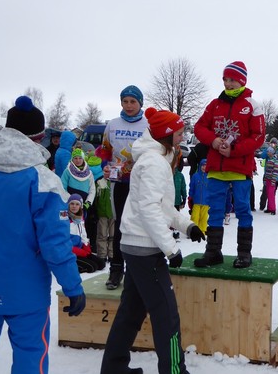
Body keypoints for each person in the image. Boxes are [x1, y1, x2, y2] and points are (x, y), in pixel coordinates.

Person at [0, 96, 85, 373]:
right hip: (24, 289)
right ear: (38, 138)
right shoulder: (44, 180)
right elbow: (55, 243)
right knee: (30, 353)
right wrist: (72, 286)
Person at [100, 107, 205, 374]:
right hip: (145, 248)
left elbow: (162, 206)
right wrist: (171, 249)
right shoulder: (153, 163)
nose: (184, 136)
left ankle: (114, 369)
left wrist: (187, 226)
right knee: (166, 316)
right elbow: (148, 209)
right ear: (168, 136)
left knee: (131, 312)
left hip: (139, 245)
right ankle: (174, 371)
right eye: (180, 133)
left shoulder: (158, 158)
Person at [192, 61, 265, 269]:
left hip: (240, 168)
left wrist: (234, 150)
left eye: (232, 79)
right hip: (216, 168)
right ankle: (213, 252)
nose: (228, 83)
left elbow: (258, 137)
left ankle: (244, 253)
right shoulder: (215, 104)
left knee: (242, 209)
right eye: (225, 79)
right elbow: (199, 127)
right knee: (214, 209)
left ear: (242, 80)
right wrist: (213, 141)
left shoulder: (252, 105)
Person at [96, 85, 148, 289]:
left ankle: (139, 272)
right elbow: (105, 153)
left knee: (141, 226)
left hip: (142, 184)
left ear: (140, 103)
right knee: (119, 226)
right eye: (125, 101)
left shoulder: (148, 125)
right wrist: (105, 170)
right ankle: (116, 270)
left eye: (133, 101)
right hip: (119, 183)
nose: (128, 105)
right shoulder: (113, 125)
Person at [67, 193, 105, 273]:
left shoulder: (80, 218)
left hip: (79, 250)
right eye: (72, 204)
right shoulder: (65, 220)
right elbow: (64, 243)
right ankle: (68, 268)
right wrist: (81, 252)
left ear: (80, 206)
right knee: (92, 267)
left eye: (77, 204)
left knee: (101, 264)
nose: (74, 206)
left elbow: (83, 236)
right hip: (70, 252)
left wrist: (86, 247)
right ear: (68, 205)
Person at [189, 159, 210, 233]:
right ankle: (193, 231)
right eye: (203, 166)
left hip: (206, 202)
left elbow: (212, 189)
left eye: (206, 166)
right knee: (195, 217)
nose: (204, 167)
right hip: (196, 201)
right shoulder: (195, 176)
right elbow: (192, 187)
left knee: (204, 218)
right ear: (200, 166)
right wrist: (190, 197)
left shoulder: (210, 177)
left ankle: (202, 231)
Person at [262, 146, 278, 215]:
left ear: (272, 152)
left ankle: (273, 209)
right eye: (267, 151)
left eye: (268, 151)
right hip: (268, 178)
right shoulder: (269, 159)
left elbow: (276, 170)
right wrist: (265, 178)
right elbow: (267, 170)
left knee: (271, 194)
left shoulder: (276, 159)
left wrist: (274, 180)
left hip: (272, 179)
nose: (267, 153)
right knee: (268, 193)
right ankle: (269, 208)